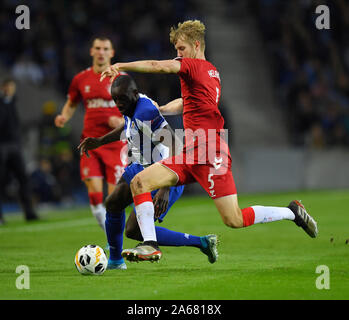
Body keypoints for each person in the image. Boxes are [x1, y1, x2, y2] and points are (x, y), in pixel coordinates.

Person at [100, 20, 318, 262]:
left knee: (234, 219)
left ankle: (291, 212)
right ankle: (150, 244)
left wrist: (121, 65)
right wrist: (162, 108)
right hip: (191, 149)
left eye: (181, 49)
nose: (177, 55)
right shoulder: (212, 73)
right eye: (176, 51)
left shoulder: (192, 66)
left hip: (211, 151)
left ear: (196, 45)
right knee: (140, 182)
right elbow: (186, 102)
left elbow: (157, 66)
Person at [78, 74, 218, 269]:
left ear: (134, 94)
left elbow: (175, 144)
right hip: (140, 167)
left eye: (122, 100)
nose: (118, 104)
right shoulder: (131, 105)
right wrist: (100, 141)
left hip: (164, 173)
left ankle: (202, 242)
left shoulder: (145, 112)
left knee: (134, 230)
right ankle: (116, 261)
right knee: (113, 203)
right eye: (115, 100)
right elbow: (127, 126)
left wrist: (166, 187)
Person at [55, 37, 128, 233]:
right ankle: (110, 238)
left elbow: (135, 109)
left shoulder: (122, 78)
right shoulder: (81, 79)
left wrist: (122, 122)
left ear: (112, 53)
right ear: (91, 51)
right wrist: (63, 116)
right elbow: (71, 103)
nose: (101, 52)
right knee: (95, 195)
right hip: (90, 144)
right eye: (97, 48)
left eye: (105, 48)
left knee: (114, 200)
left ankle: (114, 240)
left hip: (116, 144)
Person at [0, 78, 39, 224]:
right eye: (8, 86)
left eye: (12, 87)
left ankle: (29, 213)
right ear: (3, 87)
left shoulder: (13, 103)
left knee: (23, 178)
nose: (10, 89)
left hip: (14, 147)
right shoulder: (3, 103)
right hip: (2, 146)